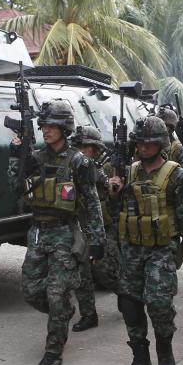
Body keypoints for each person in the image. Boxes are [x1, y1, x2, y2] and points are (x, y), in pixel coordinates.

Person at [7, 100, 106, 365]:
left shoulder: (79, 162)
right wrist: (17, 155)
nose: (45, 130)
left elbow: (93, 202)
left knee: (56, 293)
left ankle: (53, 351)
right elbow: (14, 188)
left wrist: (97, 239)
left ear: (64, 127)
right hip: (38, 232)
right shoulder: (36, 158)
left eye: (51, 125)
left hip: (65, 232)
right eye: (43, 125)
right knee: (30, 290)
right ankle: (63, 311)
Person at [108, 116, 183, 365]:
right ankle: (140, 359)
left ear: (160, 143)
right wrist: (113, 194)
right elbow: (116, 216)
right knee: (129, 304)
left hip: (162, 250)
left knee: (159, 304)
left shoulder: (177, 175)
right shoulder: (127, 171)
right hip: (132, 249)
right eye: (140, 142)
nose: (144, 147)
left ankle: (165, 351)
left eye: (149, 142)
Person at [69, 125, 119, 332]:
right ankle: (89, 315)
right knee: (81, 274)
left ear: (95, 150)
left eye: (86, 148)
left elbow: (107, 191)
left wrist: (111, 186)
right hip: (78, 228)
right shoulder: (70, 165)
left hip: (101, 229)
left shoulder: (96, 170)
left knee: (108, 272)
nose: (81, 152)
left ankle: (131, 300)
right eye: (78, 147)